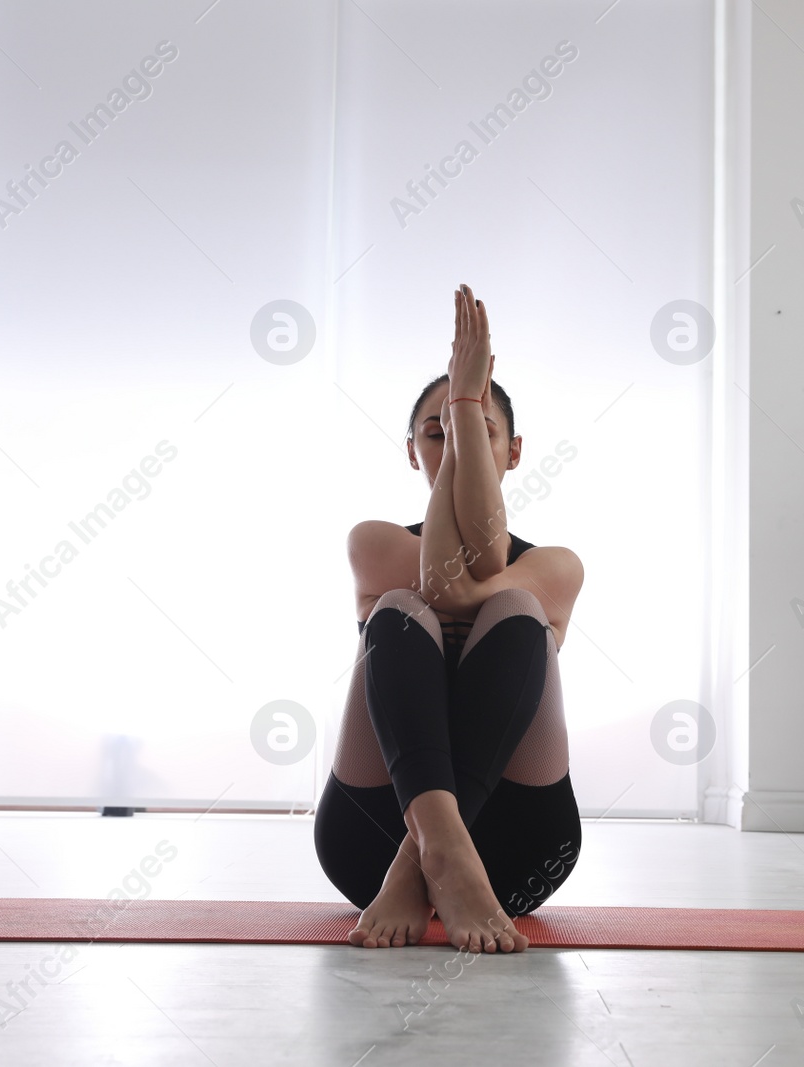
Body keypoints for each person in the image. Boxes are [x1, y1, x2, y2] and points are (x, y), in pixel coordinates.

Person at [313, 283, 585, 954]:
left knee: (513, 607)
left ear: (514, 451)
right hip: (364, 845)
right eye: (433, 434)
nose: (453, 442)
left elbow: (479, 578)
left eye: (476, 431)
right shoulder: (373, 542)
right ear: (411, 452)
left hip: (518, 854)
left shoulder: (557, 564)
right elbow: (441, 586)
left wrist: (460, 406)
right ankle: (435, 847)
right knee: (402, 611)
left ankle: (426, 858)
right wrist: (467, 413)